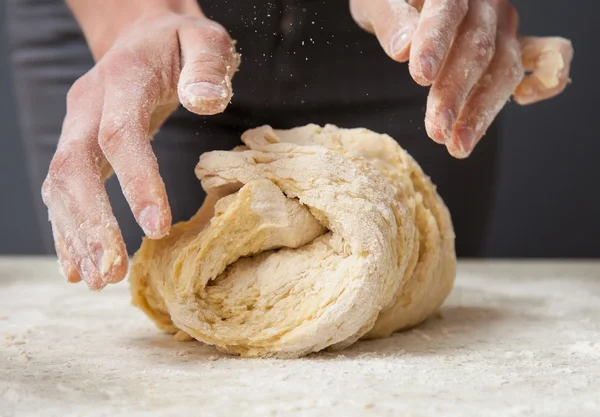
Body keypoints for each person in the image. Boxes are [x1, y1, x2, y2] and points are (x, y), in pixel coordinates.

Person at [6, 0, 573, 290]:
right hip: (141, 36)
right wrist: (130, 17)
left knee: (398, 315)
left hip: (395, 35)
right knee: (154, 315)